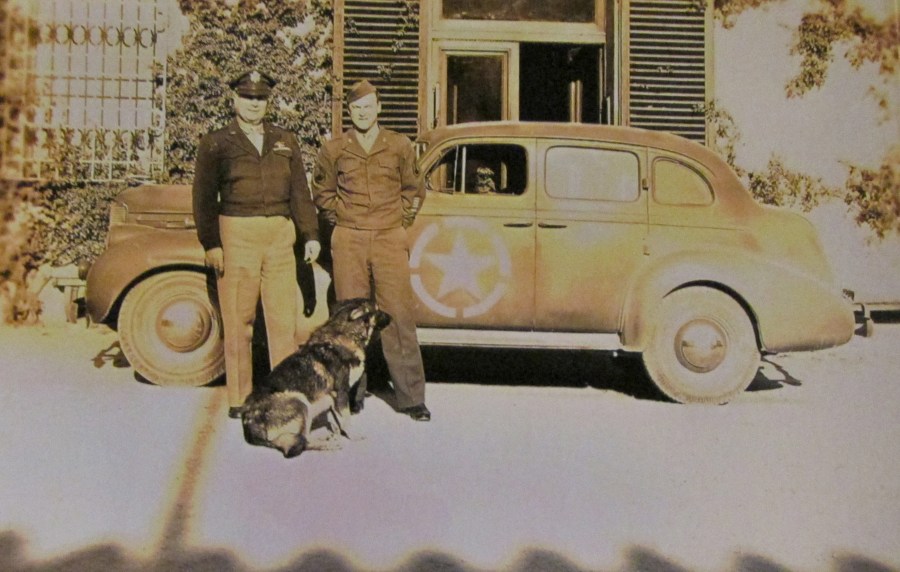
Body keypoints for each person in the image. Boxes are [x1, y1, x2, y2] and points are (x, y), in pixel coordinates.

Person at [192, 69, 320, 419]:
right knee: (240, 319)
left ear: (268, 102)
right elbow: (203, 198)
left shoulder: (285, 140)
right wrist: (211, 243)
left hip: (280, 236)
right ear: (234, 99)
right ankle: (240, 398)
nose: (254, 104)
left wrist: (309, 235)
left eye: (260, 98)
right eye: (248, 98)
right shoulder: (217, 142)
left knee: (282, 322)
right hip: (237, 235)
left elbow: (299, 192)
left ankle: (283, 394)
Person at [311, 79, 430, 421]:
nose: (363, 113)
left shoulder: (398, 145)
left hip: (389, 236)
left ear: (379, 108)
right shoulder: (334, 149)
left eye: (368, 107)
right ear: (349, 112)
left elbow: (413, 190)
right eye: (356, 108)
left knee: (397, 314)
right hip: (349, 237)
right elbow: (323, 194)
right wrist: (345, 221)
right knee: (350, 316)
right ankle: (351, 392)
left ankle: (411, 398)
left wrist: (397, 222)